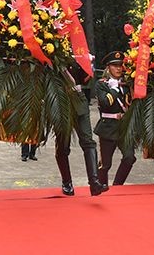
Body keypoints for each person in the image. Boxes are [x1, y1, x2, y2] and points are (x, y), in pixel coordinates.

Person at [54, 59, 110, 198]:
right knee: (63, 145)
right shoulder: (54, 56)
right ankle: (67, 182)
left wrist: (87, 64)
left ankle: (94, 182)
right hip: (60, 102)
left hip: (79, 100)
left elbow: (84, 79)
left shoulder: (78, 54)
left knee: (88, 141)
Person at [94, 51, 136, 186]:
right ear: (108, 67)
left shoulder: (127, 84)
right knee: (105, 165)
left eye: (120, 66)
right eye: (115, 66)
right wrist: (114, 89)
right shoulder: (102, 84)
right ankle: (101, 187)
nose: (118, 69)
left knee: (130, 158)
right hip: (108, 127)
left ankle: (118, 186)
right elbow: (105, 103)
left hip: (124, 127)